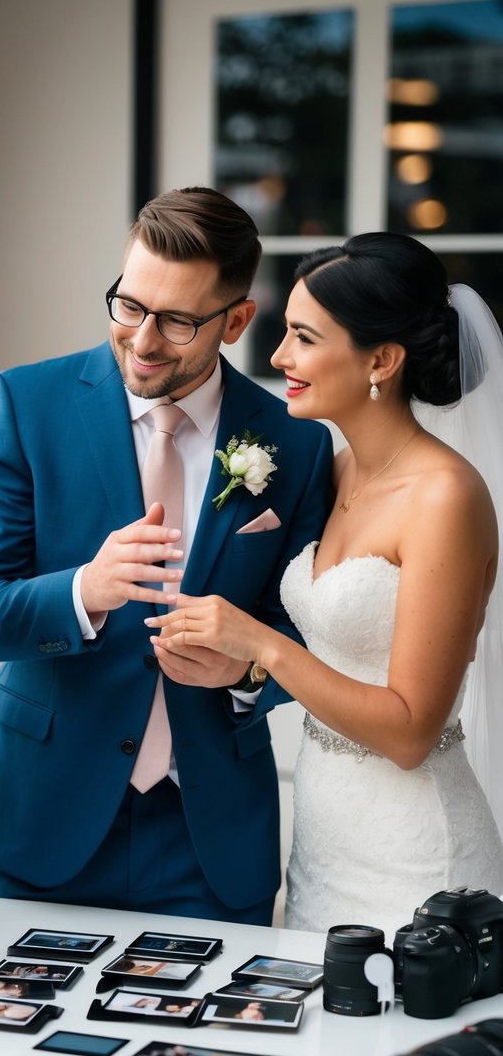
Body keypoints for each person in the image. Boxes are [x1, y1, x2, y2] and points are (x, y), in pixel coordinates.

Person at [0, 186, 333, 924]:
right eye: (128, 304)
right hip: (41, 822)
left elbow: (308, 624)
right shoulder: (25, 405)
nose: (143, 339)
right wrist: (83, 590)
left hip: (209, 837)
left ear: (237, 320)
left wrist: (248, 670)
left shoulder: (298, 441)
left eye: (178, 321)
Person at [148, 233, 503, 936]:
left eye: (303, 338)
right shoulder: (329, 469)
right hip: (321, 845)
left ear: (380, 360)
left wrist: (264, 647)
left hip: (415, 858)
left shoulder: (444, 497)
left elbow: (409, 731)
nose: (279, 358)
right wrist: (239, 663)